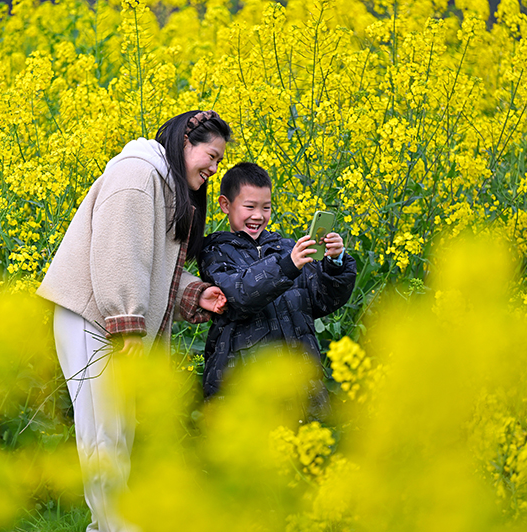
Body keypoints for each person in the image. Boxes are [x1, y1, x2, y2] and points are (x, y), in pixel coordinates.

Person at [37, 110, 232, 532]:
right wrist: (127, 318)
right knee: (103, 433)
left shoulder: (162, 184)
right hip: (94, 317)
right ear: (185, 143)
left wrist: (196, 294)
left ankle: (105, 526)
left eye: (218, 162)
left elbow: (152, 267)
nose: (214, 169)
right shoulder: (138, 173)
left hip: (108, 318)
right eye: (210, 156)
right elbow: (119, 251)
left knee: (116, 433)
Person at [197, 162, 357, 415]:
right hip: (245, 385)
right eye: (249, 206)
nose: (258, 216)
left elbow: (322, 301)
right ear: (225, 205)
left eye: (266, 207)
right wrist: (287, 266)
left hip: (302, 383)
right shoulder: (214, 252)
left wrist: (335, 263)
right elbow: (240, 295)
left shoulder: (286, 248)